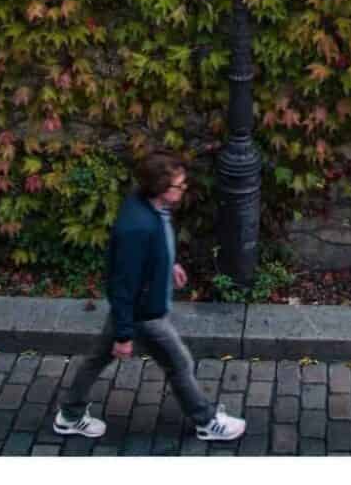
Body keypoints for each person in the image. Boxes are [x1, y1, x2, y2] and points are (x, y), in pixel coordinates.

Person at [53, 151, 246, 442]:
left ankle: (69, 415)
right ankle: (206, 420)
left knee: (95, 360)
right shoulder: (136, 227)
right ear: (159, 188)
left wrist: (169, 264)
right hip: (145, 314)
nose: (183, 189)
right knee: (179, 363)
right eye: (178, 186)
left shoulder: (151, 207)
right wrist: (124, 335)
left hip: (137, 310)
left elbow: (155, 246)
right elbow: (123, 286)